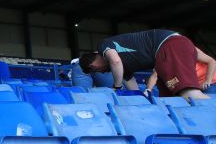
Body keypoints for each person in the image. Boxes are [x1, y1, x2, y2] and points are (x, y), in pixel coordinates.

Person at [79, 29, 216, 100]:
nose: (102, 73)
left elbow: (115, 61)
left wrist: (116, 86)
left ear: (93, 66)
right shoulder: (126, 68)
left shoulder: (103, 46)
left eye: (97, 71)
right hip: (171, 49)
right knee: (170, 100)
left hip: (167, 46)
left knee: (190, 95)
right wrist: (139, 97)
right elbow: (133, 89)